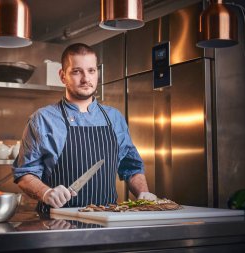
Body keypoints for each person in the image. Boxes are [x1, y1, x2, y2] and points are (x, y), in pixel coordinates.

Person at [12, 43, 156, 214]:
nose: (86, 79)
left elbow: (131, 167)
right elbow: (24, 173)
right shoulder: (42, 119)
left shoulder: (114, 118)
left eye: (91, 71)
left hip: (107, 220)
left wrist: (143, 192)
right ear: (62, 76)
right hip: (57, 223)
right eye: (76, 71)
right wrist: (46, 193)